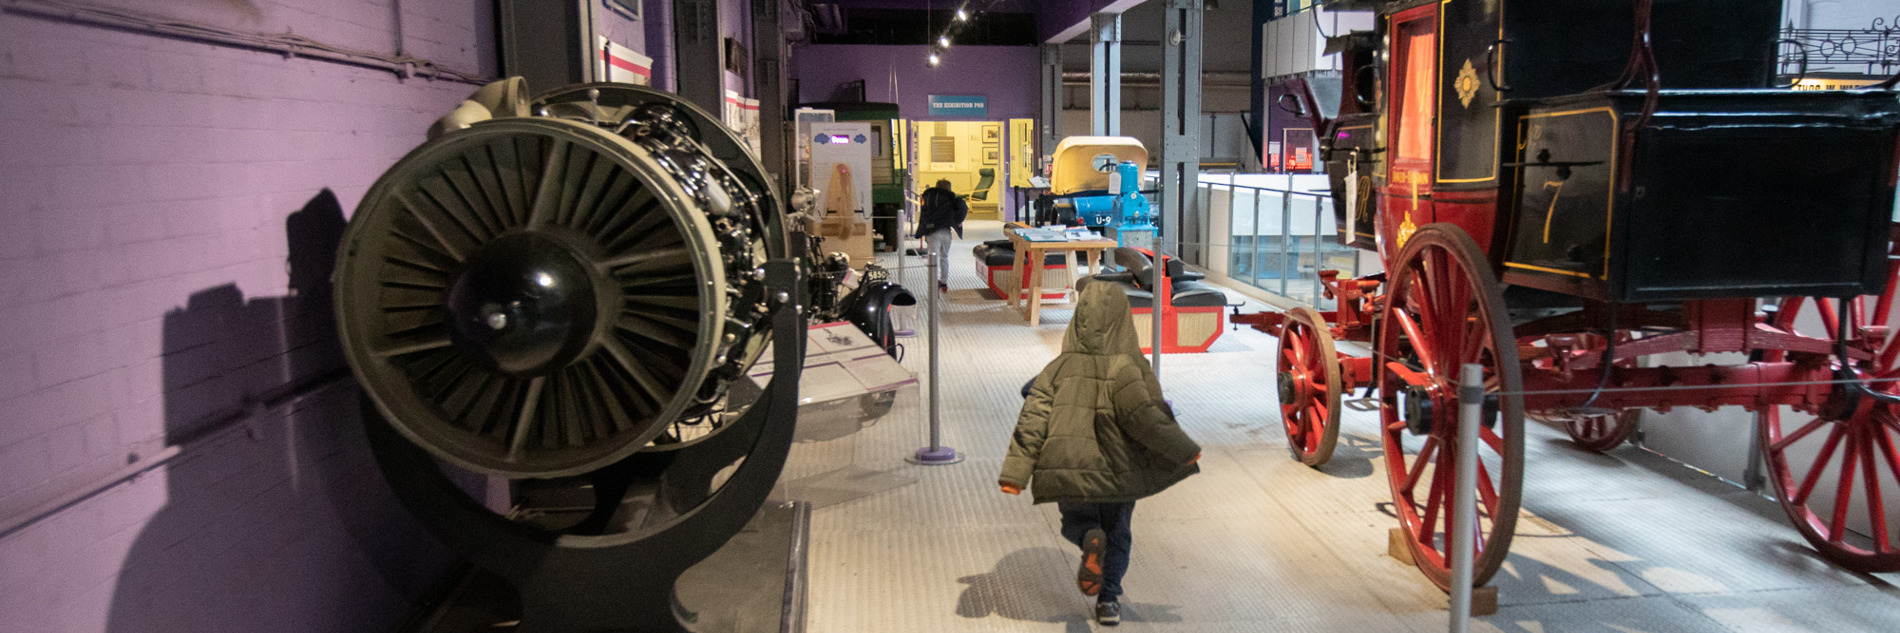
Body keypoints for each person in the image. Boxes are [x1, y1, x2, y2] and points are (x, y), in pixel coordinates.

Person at [998, 283, 1202, 626]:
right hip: (1117, 471)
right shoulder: (1127, 369)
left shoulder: (1056, 370)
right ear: (1124, 321)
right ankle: (1108, 601)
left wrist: (1014, 475)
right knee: (1119, 533)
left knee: (1074, 521)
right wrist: (1185, 451)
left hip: (1069, 469)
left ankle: (1087, 536)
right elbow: (1146, 419)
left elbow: (1031, 418)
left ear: (1078, 321)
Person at [914, 178, 967, 292]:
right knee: (944, 257)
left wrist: (921, 231)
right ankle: (944, 282)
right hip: (946, 232)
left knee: (933, 259)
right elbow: (962, 209)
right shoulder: (952, 199)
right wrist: (958, 221)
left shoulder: (928, 198)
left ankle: (933, 282)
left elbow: (924, 215)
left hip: (932, 232)